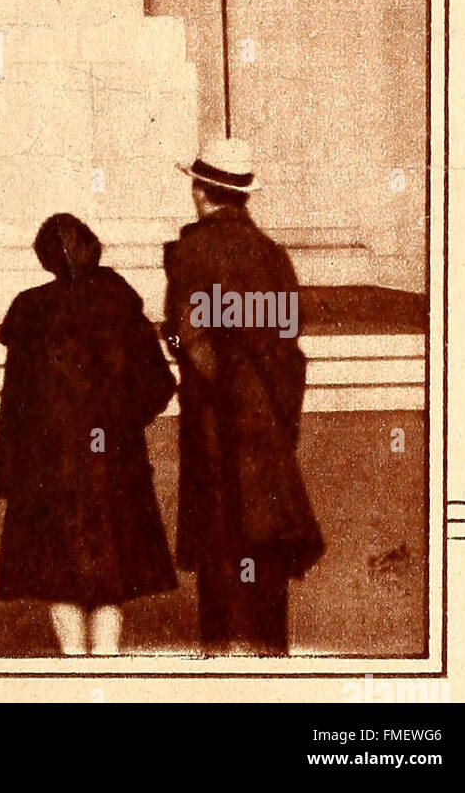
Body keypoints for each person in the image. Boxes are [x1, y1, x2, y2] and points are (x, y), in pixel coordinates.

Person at [0, 213, 177, 656]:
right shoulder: (119, 299)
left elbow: (14, 403)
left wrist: (6, 463)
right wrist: (121, 424)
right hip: (114, 462)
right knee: (110, 582)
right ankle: (105, 677)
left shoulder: (30, 310)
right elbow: (160, 385)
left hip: (49, 467)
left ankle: (75, 678)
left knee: (60, 580)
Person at [162, 138, 324, 656]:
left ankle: (218, 662)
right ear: (242, 197)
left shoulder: (192, 252)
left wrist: (210, 386)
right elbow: (287, 345)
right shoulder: (273, 257)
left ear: (201, 192)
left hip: (214, 425)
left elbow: (193, 337)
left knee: (218, 547)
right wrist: (276, 417)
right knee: (267, 541)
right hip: (269, 427)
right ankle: (272, 664)